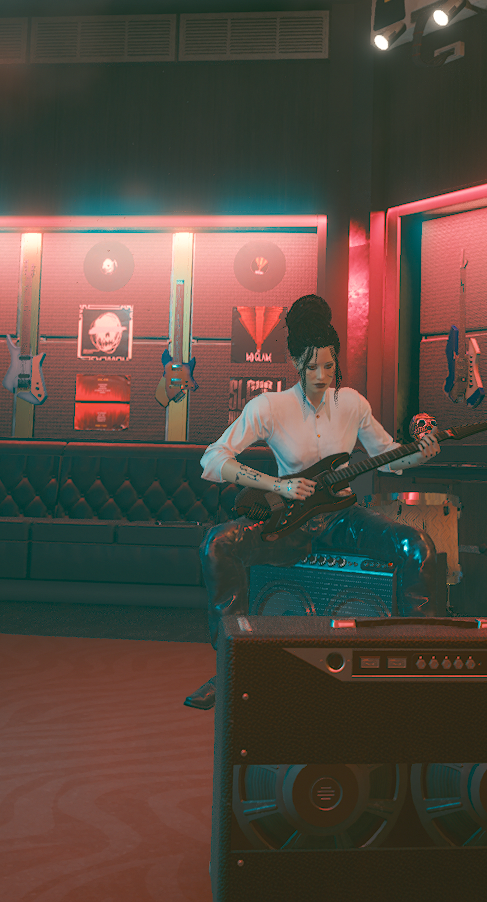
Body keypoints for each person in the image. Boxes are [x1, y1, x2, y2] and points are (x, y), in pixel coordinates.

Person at [184, 294, 442, 711]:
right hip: (292, 522)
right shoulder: (270, 407)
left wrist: (422, 453)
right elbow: (212, 460)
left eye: (329, 365)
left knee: (418, 547)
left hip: (343, 516)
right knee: (217, 544)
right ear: (294, 363)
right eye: (311, 367)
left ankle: (418, 665)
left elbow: (390, 456)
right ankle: (230, 666)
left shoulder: (352, 403)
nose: (322, 376)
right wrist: (279, 486)